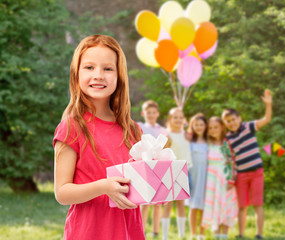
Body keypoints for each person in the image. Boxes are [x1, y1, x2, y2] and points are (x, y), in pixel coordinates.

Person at [53, 35, 144, 240]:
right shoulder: (72, 127)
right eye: (89, 67)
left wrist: (157, 191)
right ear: (76, 74)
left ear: (119, 75)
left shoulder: (133, 130)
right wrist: (103, 186)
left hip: (129, 233)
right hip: (89, 233)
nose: (98, 75)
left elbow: (138, 186)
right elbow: (62, 192)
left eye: (108, 68)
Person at [222, 89, 273, 239]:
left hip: (257, 172)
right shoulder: (228, 138)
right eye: (228, 121)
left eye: (233, 119)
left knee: (258, 204)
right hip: (241, 175)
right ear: (225, 124)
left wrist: (268, 105)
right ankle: (241, 233)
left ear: (239, 118)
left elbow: (266, 119)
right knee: (242, 206)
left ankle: (259, 234)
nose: (232, 123)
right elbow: (228, 158)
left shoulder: (248, 126)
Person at [202, 117, 238, 240]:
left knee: (225, 204)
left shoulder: (225, 143)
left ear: (222, 127)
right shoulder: (208, 143)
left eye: (216, 127)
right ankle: (216, 233)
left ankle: (224, 235)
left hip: (224, 178)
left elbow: (230, 161)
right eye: (211, 128)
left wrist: (231, 179)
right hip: (212, 180)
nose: (213, 130)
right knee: (214, 205)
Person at [138, 100, 169, 238]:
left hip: (159, 168)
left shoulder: (162, 131)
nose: (150, 115)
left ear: (157, 114)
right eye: (148, 112)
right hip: (145, 166)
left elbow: (166, 147)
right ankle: (141, 230)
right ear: (143, 113)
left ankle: (156, 231)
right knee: (145, 202)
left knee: (158, 202)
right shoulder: (139, 127)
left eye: (153, 112)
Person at [161, 107, 192, 240]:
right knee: (168, 204)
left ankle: (181, 234)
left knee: (181, 204)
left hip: (185, 171)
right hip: (171, 171)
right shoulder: (168, 136)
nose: (178, 120)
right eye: (175, 117)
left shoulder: (187, 135)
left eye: (180, 117)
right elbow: (162, 155)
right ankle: (165, 235)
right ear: (169, 120)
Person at [186, 113, 208, 240]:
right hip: (193, 176)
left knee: (204, 206)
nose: (199, 127)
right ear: (192, 126)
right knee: (194, 206)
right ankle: (193, 234)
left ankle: (202, 234)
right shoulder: (190, 141)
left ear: (205, 126)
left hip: (205, 176)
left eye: (201, 125)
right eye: (196, 125)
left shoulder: (208, 141)